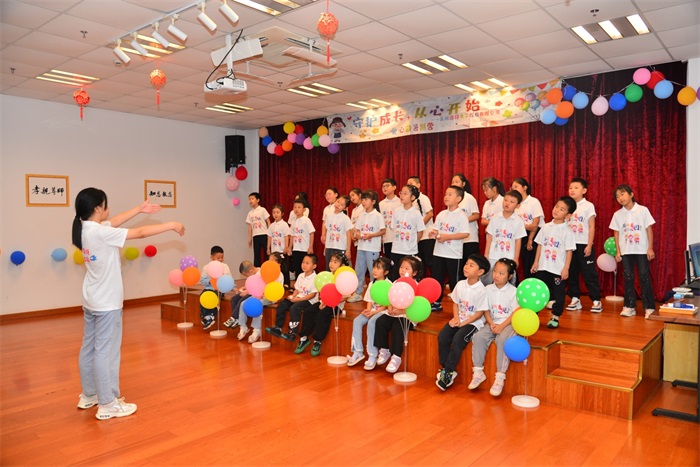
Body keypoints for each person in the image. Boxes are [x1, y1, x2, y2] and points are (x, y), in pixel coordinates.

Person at [72, 188, 184, 420]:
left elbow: (113, 222)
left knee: (89, 348)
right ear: (97, 209)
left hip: (91, 299)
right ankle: (107, 403)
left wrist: (139, 209)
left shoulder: (84, 228)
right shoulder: (101, 232)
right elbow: (140, 233)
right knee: (106, 352)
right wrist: (171, 224)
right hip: (107, 303)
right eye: (106, 205)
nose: (108, 209)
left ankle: (89, 395)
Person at [436, 254, 489, 391]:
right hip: (459, 320)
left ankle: (448, 372)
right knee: (443, 336)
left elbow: (479, 314)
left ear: (480, 272)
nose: (466, 267)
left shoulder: (482, 290)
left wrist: (463, 323)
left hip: (473, 323)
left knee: (458, 339)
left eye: (471, 265)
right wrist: (456, 318)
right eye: (466, 264)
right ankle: (446, 369)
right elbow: (455, 303)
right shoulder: (460, 284)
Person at [469, 258, 519, 396]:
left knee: (502, 340)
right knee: (478, 337)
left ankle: (500, 377)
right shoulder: (487, 289)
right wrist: (491, 323)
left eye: (501, 273)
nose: (496, 275)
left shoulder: (514, 292)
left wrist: (502, 326)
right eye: (495, 271)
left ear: (510, 276)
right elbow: (486, 309)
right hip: (493, 322)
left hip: (508, 323)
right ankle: (478, 372)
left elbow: (515, 313)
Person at [609, 184, 656, 319]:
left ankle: (649, 307)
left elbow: (649, 229)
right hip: (626, 251)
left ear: (631, 194)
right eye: (617, 196)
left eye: (622, 194)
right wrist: (618, 251)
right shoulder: (618, 214)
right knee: (628, 277)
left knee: (644, 276)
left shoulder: (642, 210)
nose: (620, 198)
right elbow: (616, 233)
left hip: (641, 250)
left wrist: (650, 248)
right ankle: (629, 306)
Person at [531, 196, 577, 329]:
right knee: (538, 292)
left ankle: (555, 316)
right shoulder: (546, 227)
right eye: (557, 206)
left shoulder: (567, 231)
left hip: (557, 269)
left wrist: (566, 268)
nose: (557, 210)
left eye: (562, 209)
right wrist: (536, 263)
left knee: (559, 294)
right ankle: (534, 315)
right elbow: (540, 245)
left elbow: (569, 251)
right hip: (543, 267)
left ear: (568, 215)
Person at [373, 256, 424, 373]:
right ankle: (384, 349)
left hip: (408, 316)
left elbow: (416, 306)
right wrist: (390, 308)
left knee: (398, 326)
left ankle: (396, 356)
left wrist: (402, 311)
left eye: (407, 268)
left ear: (414, 273)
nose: (403, 270)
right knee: (380, 321)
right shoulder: (396, 282)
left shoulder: (416, 285)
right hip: (394, 314)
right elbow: (390, 298)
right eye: (401, 267)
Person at [294, 252, 350, 356]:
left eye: (335, 262)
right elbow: (324, 291)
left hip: (336, 305)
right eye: (331, 261)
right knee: (308, 311)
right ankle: (304, 338)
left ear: (342, 265)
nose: (331, 264)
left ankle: (317, 341)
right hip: (324, 302)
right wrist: (324, 301)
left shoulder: (343, 278)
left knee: (322, 315)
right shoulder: (327, 276)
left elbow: (346, 295)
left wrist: (331, 301)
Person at [428, 185, 470, 311]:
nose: (446, 197)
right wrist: (434, 233)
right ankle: (436, 302)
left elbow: (465, 234)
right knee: (437, 278)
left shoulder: (461, 215)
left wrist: (447, 237)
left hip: (453, 254)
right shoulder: (441, 214)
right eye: (446, 194)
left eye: (450, 194)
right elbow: (436, 229)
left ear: (458, 198)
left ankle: (460, 305)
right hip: (439, 252)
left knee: (454, 280)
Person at [347, 257, 392, 369]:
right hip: (372, 310)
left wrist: (374, 312)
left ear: (386, 272)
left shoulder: (389, 284)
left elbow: (387, 304)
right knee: (357, 321)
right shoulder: (372, 283)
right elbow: (369, 301)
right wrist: (368, 310)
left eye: (378, 268)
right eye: (374, 267)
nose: (375, 270)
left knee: (372, 322)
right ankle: (358, 351)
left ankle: (372, 355)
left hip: (383, 312)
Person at [566, 178, 603, 313]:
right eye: (570, 187)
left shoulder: (588, 206)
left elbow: (592, 226)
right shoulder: (567, 205)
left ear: (584, 190)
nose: (572, 190)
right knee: (571, 273)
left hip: (583, 244)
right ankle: (575, 299)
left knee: (589, 273)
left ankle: (596, 300)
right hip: (570, 246)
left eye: (576, 187)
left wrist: (589, 244)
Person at [266, 254, 318, 340]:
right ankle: (278, 328)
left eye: (307, 263)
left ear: (314, 266)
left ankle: (292, 332)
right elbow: (297, 289)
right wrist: (293, 296)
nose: (304, 265)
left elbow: (312, 295)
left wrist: (297, 300)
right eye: (303, 262)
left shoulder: (315, 278)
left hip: (309, 301)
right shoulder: (301, 275)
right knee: (283, 304)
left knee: (294, 308)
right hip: (298, 297)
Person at [237, 252, 285, 344]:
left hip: (270, 297)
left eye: (272, 261)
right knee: (243, 303)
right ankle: (243, 327)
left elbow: (276, 289)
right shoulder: (264, 271)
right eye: (269, 260)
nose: (269, 262)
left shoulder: (279, 274)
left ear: (279, 264)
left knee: (257, 304)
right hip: (259, 295)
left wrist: (264, 294)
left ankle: (256, 329)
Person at [348, 190, 386, 303]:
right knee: (359, 271)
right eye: (363, 199)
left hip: (372, 248)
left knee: (374, 272)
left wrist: (371, 235)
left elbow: (383, 231)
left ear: (373, 202)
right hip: (361, 247)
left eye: (366, 199)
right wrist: (357, 234)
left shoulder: (377, 215)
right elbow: (357, 229)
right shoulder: (362, 215)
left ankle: (376, 295)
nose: (363, 202)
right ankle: (358, 293)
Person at [483, 190, 526, 285]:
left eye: (512, 202)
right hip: (493, 255)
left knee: (506, 282)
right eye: (505, 200)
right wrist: (486, 254)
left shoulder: (518, 221)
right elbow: (490, 236)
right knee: (490, 281)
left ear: (518, 205)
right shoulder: (495, 218)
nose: (507, 203)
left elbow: (518, 240)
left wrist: (516, 258)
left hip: (509, 256)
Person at [388, 184, 425, 281]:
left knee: (408, 276)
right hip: (396, 249)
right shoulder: (396, 211)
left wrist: (413, 243)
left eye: (405, 193)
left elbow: (420, 231)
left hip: (409, 251)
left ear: (412, 197)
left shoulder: (416, 213)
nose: (402, 195)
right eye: (401, 193)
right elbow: (393, 228)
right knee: (395, 275)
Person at [511, 178, 544, 280]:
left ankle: (534, 285)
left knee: (532, 263)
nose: (514, 189)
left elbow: (535, 224)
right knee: (523, 262)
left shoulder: (533, 201)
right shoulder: (516, 203)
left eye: (516, 187)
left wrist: (530, 239)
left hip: (535, 235)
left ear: (525, 187)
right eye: (512, 187)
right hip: (521, 235)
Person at [451, 174, 480, 279]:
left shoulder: (469, 198)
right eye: (452, 182)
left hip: (470, 238)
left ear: (463, 184)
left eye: (457, 181)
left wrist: (462, 221)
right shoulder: (452, 199)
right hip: (456, 238)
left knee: (470, 265)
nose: (454, 184)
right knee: (459, 266)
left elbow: (476, 215)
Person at [199, 245, 232, 330]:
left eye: (222, 257)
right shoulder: (206, 267)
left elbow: (229, 279)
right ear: (212, 257)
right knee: (203, 296)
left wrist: (233, 287)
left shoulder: (225, 266)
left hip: (220, 289)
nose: (220, 259)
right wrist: (210, 281)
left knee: (213, 296)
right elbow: (202, 280)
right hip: (209, 288)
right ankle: (206, 316)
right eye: (218, 258)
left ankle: (211, 315)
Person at [407, 176, 434, 274]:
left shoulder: (423, 198)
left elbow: (430, 214)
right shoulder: (410, 201)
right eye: (408, 184)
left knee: (430, 262)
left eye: (411, 183)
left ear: (418, 185)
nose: (409, 185)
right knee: (419, 262)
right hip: (417, 237)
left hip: (426, 235)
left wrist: (419, 227)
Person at [322, 195, 354, 269]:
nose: (338, 205)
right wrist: (325, 247)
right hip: (329, 247)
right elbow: (328, 233)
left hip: (340, 247)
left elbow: (348, 235)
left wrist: (348, 250)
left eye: (342, 204)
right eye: (338, 202)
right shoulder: (329, 216)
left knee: (339, 268)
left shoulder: (345, 218)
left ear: (345, 208)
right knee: (329, 267)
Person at [287, 199, 315, 280]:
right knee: (297, 267)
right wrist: (290, 247)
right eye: (295, 207)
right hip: (296, 249)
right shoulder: (293, 221)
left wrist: (310, 247)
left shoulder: (306, 220)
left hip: (304, 249)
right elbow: (292, 235)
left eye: (299, 207)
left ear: (304, 209)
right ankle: (298, 283)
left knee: (306, 268)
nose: (296, 209)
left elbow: (311, 233)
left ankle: (307, 283)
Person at [267, 203, 291, 288]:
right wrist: (268, 248)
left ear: (282, 213)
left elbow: (286, 236)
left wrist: (286, 247)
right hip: (274, 251)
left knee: (284, 268)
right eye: (274, 212)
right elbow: (269, 237)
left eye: (277, 212)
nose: (275, 214)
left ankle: (286, 283)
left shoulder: (284, 224)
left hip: (281, 251)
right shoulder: (271, 226)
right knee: (274, 268)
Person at [246, 192, 270, 267]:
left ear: (258, 200)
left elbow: (268, 222)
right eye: (249, 199)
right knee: (256, 254)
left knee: (267, 252)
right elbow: (249, 226)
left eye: (252, 199)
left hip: (264, 234)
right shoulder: (250, 213)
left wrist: (269, 234)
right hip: (255, 235)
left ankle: (269, 267)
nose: (250, 201)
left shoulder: (262, 210)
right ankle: (257, 269)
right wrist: (250, 238)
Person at [379, 178, 401, 257]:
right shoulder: (381, 204)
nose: (385, 188)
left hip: (398, 237)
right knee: (388, 260)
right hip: (386, 238)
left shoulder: (400, 202)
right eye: (383, 186)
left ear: (394, 187)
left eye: (387, 186)